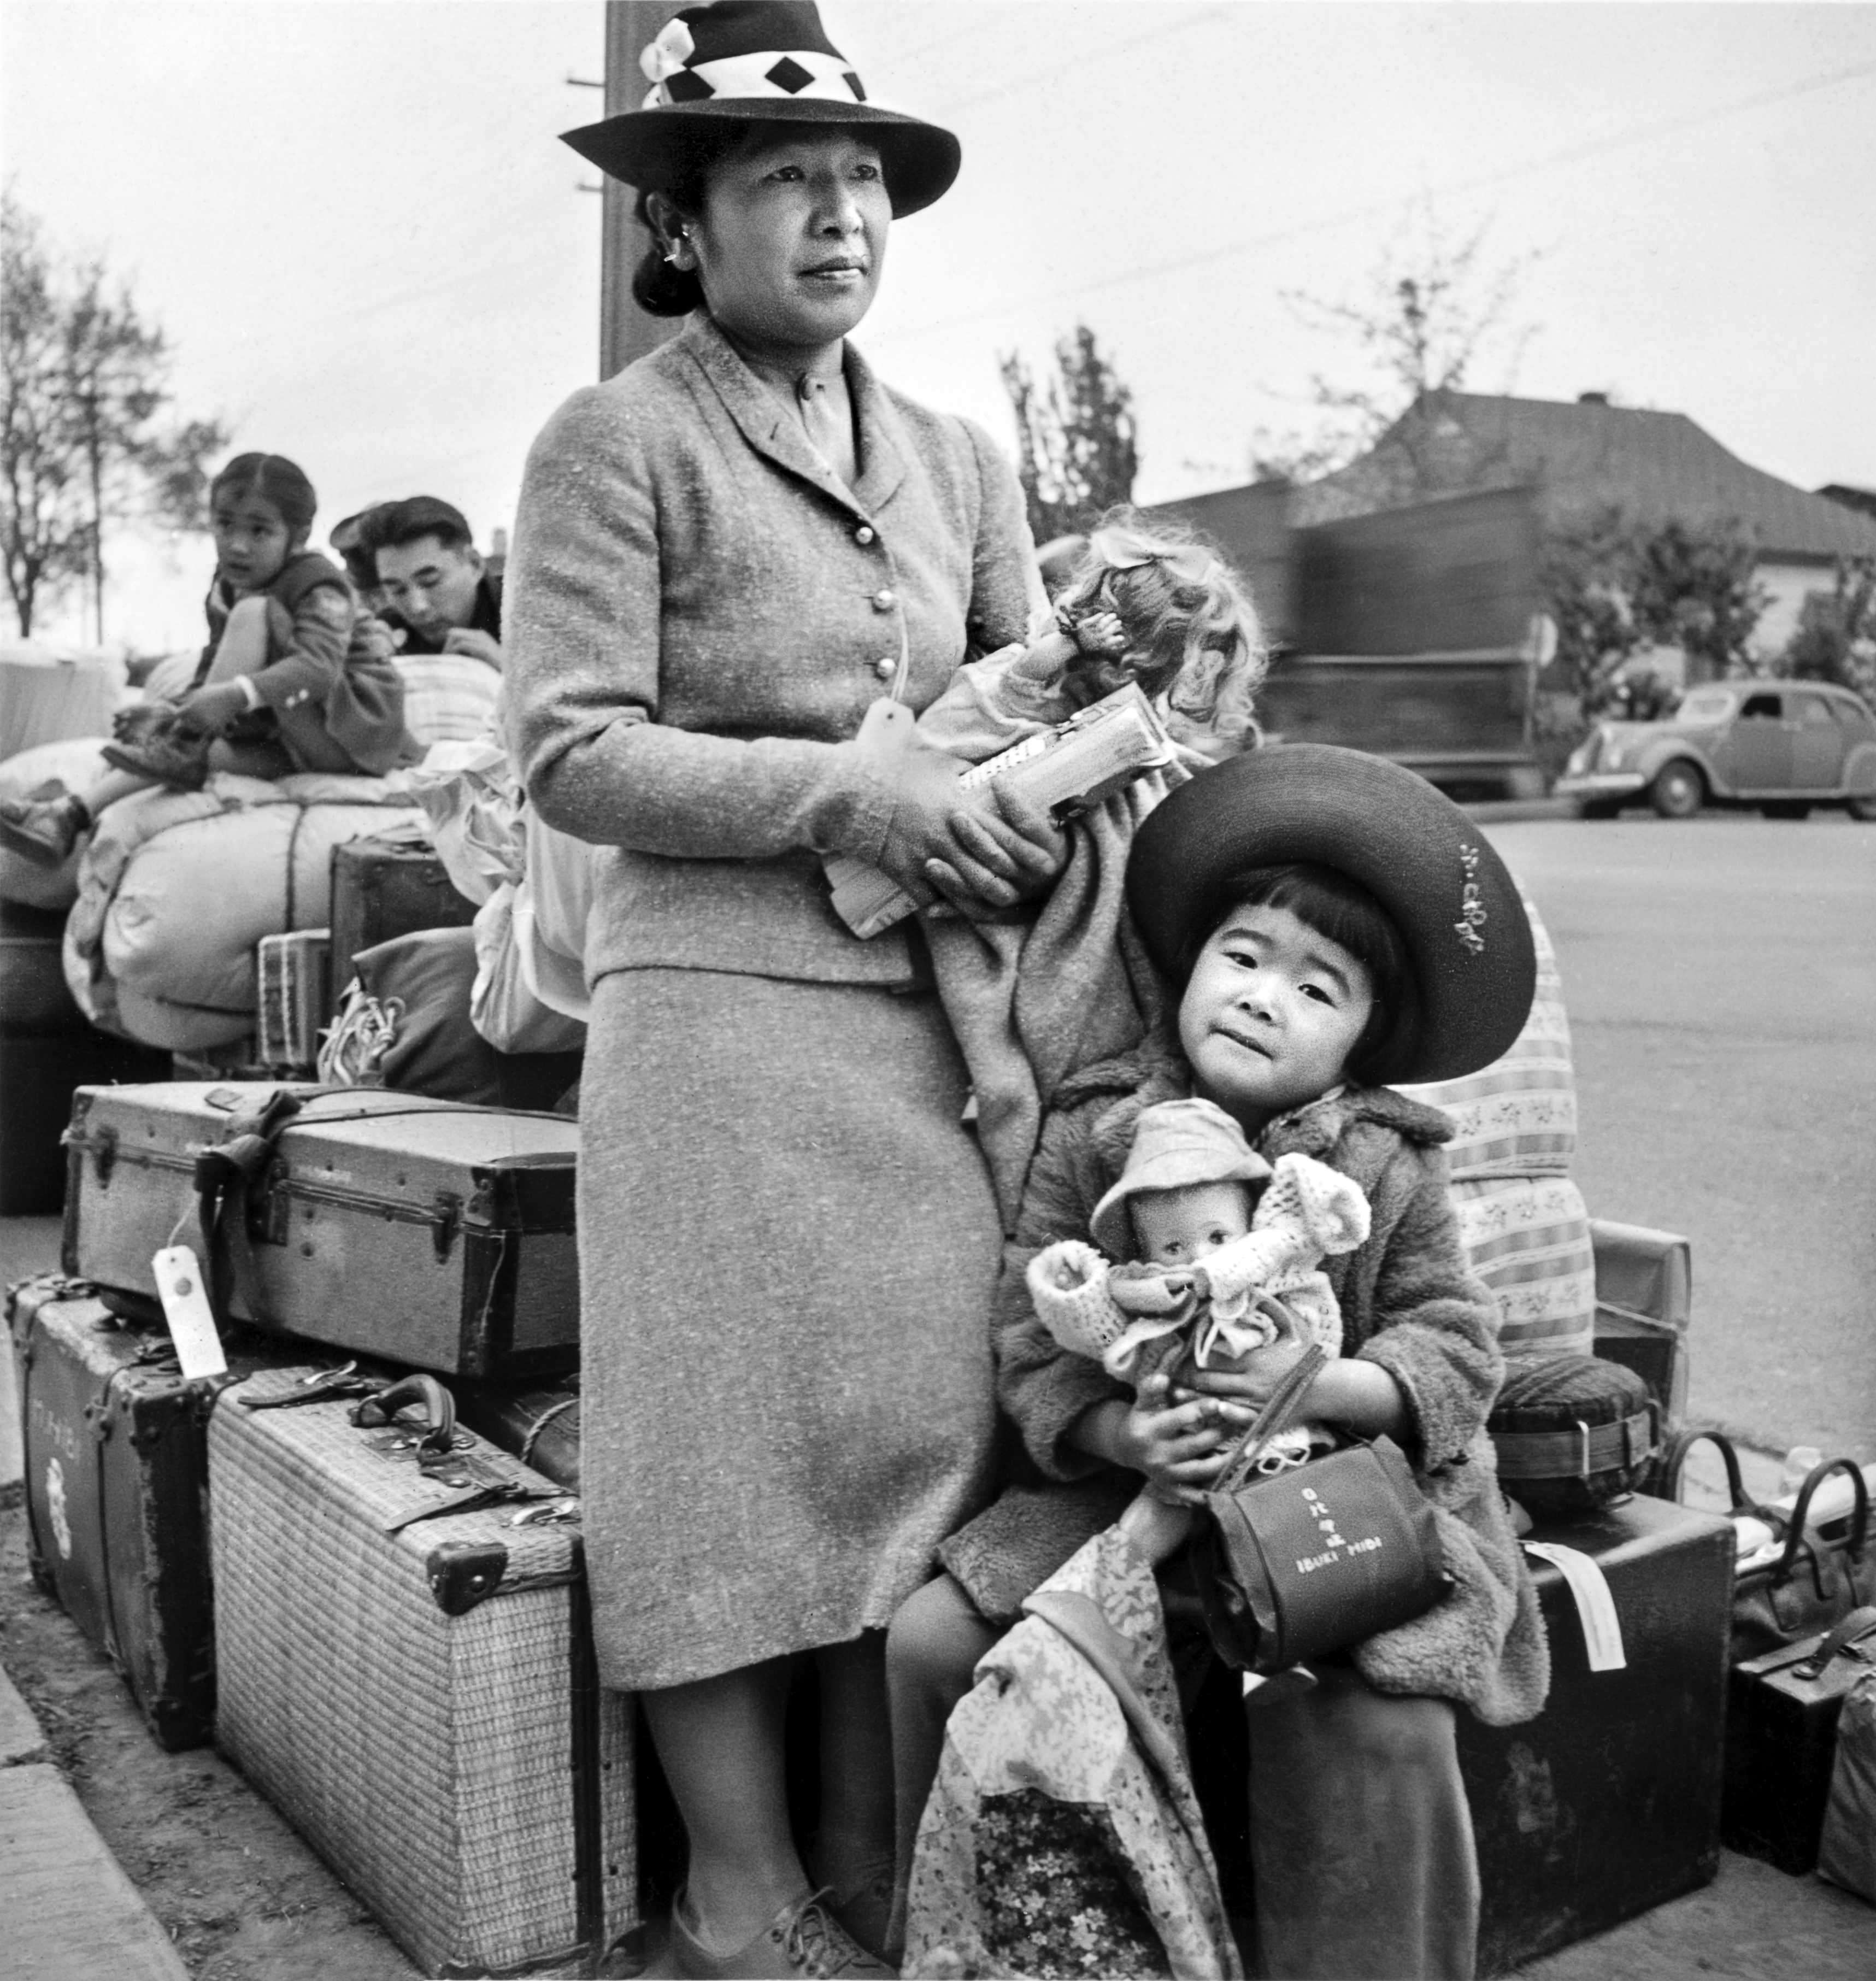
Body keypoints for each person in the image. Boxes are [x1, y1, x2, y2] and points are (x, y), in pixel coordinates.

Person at [503, 5, 1068, 1976]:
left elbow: (1042, 694)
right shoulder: (614, 439)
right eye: (785, 181)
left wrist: (1088, 749)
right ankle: (733, 1893)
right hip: (718, 1026)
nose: (839, 215)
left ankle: (863, 1856)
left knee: (909, 1449)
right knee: (720, 1468)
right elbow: (569, 752)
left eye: (859, 183)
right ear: (684, 219)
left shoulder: (962, 456)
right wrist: (864, 786)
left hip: (929, 1040)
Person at [889, 744, 1551, 1980]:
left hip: (1341, 1503)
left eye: (1316, 985)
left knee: (1371, 1712)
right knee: (934, 1638)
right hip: (1131, 1499)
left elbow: (1453, 1340)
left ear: (1362, 1039)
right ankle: (988, 1944)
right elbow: (1034, 1329)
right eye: (1241, 955)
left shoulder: (1385, 1163)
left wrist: (1332, 1382)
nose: (1261, 994)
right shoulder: (1097, 1129)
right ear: (1189, 964)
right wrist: (1115, 1433)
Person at [0, 453, 415, 866]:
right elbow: (218, 663)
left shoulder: (318, 580)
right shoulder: (227, 584)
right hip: (292, 738)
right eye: (225, 524)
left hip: (351, 734)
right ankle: (70, 814)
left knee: (253, 615)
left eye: (260, 530)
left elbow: (318, 670)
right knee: (198, 760)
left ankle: (178, 744)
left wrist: (235, 695)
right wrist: (172, 710)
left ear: (300, 534)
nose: (237, 544)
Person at [1026, 1100, 1370, 1502]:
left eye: (1218, 1236)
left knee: (1315, 1509)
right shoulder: (1157, 1308)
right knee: (1158, 1515)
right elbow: (1102, 1336)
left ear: (1250, 1223)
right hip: (1193, 1460)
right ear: (1147, 1253)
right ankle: (1113, 1563)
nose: (1199, 1257)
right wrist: (1075, 1290)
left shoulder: (1277, 1285)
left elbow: (1317, 1333)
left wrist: (1310, 1374)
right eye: (1173, 1246)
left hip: (1291, 1445)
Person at [364, 495, 505, 668]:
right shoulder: (386, 633)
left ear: (474, 565)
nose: (418, 607)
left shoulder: (531, 613)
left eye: (430, 582)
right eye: (398, 590)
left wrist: (513, 674)